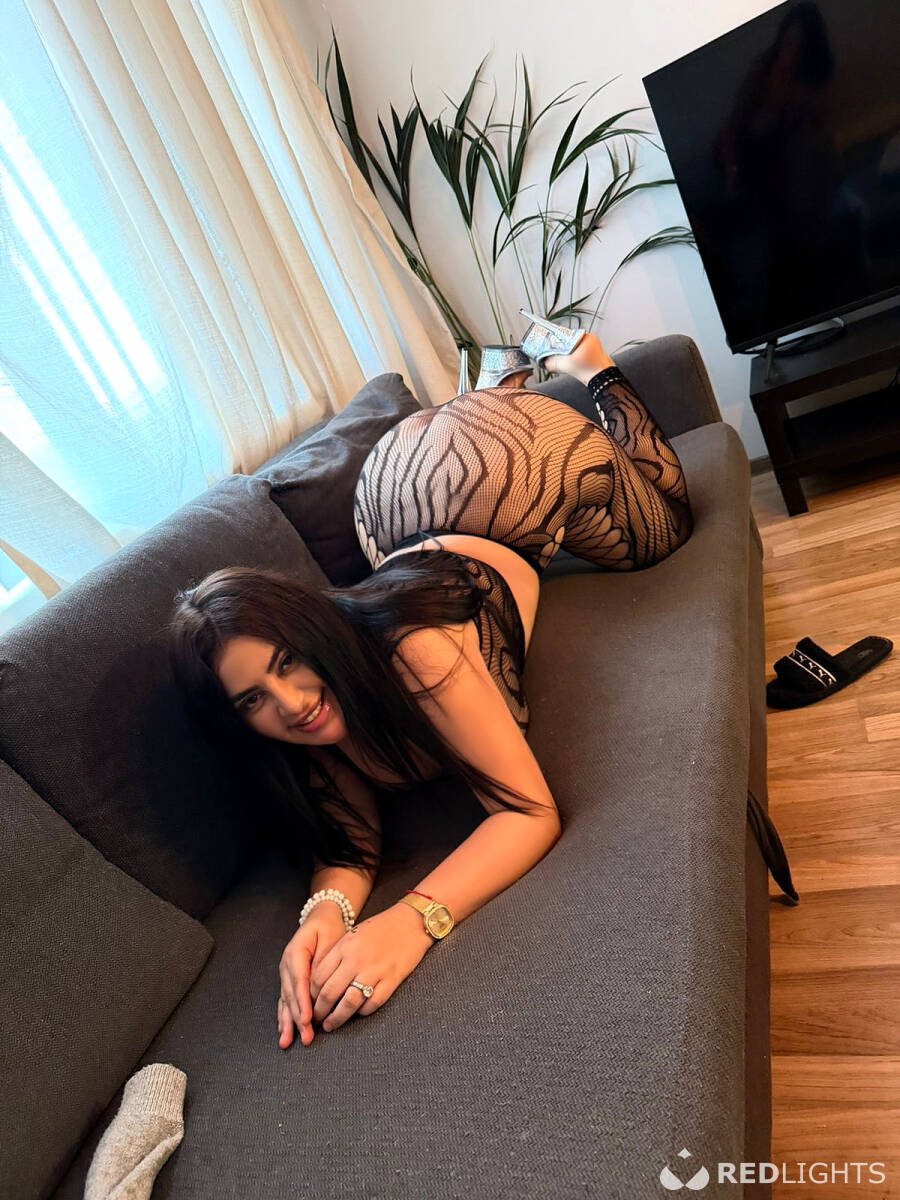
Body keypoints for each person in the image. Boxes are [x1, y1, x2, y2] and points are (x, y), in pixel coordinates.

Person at [167, 327, 694, 1053]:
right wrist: (322, 918)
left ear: (312, 631)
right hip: (395, 501)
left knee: (664, 527)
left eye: (288, 662)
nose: (289, 704)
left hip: (513, 477)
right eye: (251, 699)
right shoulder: (297, 729)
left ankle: (587, 364)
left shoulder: (414, 652)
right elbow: (350, 843)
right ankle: (495, 383)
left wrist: (414, 921)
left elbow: (529, 813)